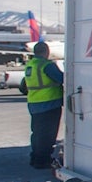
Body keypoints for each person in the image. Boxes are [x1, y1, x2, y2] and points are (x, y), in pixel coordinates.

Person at [20, 41, 64, 169]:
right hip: (49, 103)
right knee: (48, 134)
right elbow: (62, 79)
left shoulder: (30, 65)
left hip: (34, 103)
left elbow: (24, 86)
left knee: (37, 132)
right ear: (47, 52)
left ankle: (35, 157)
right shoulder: (47, 66)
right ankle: (43, 160)